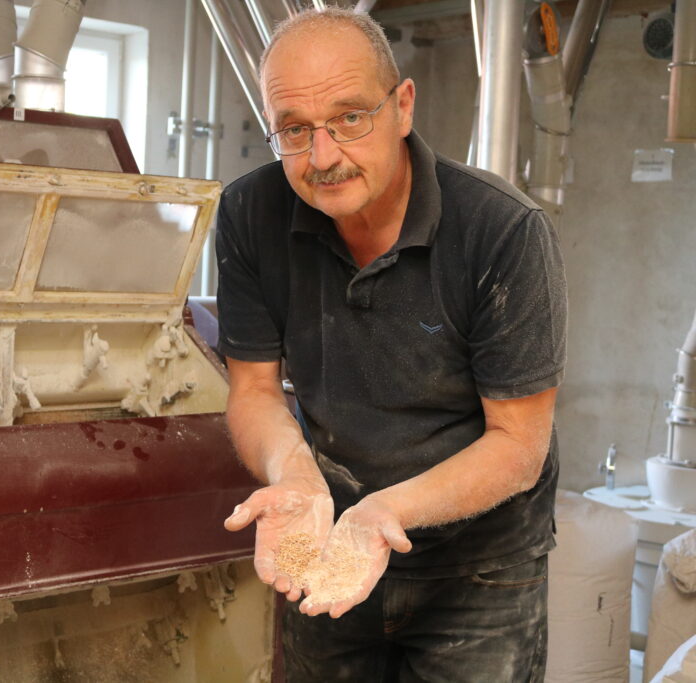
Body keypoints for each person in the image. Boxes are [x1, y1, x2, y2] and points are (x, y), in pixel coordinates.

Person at [215, 8, 567, 682]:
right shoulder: (249, 214)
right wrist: (292, 473)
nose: (322, 157)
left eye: (351, 117)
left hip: (480, 570)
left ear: (403, 105)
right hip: (328, 540)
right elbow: (254, 390)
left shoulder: (502, 231)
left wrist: (384, 515)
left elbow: (520, 446)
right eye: (293, 129)